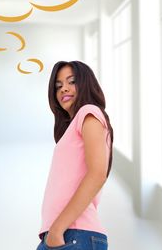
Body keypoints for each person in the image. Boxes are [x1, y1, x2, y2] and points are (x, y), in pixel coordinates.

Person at [36, 60, 114, 250]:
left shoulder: (89, 112)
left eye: (71, 81)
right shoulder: (74, 125)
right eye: (58, 85)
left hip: (73, 234)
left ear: (86, 83)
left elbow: (97, 174)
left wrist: (57, 230)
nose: (64, 89)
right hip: (65, 235)